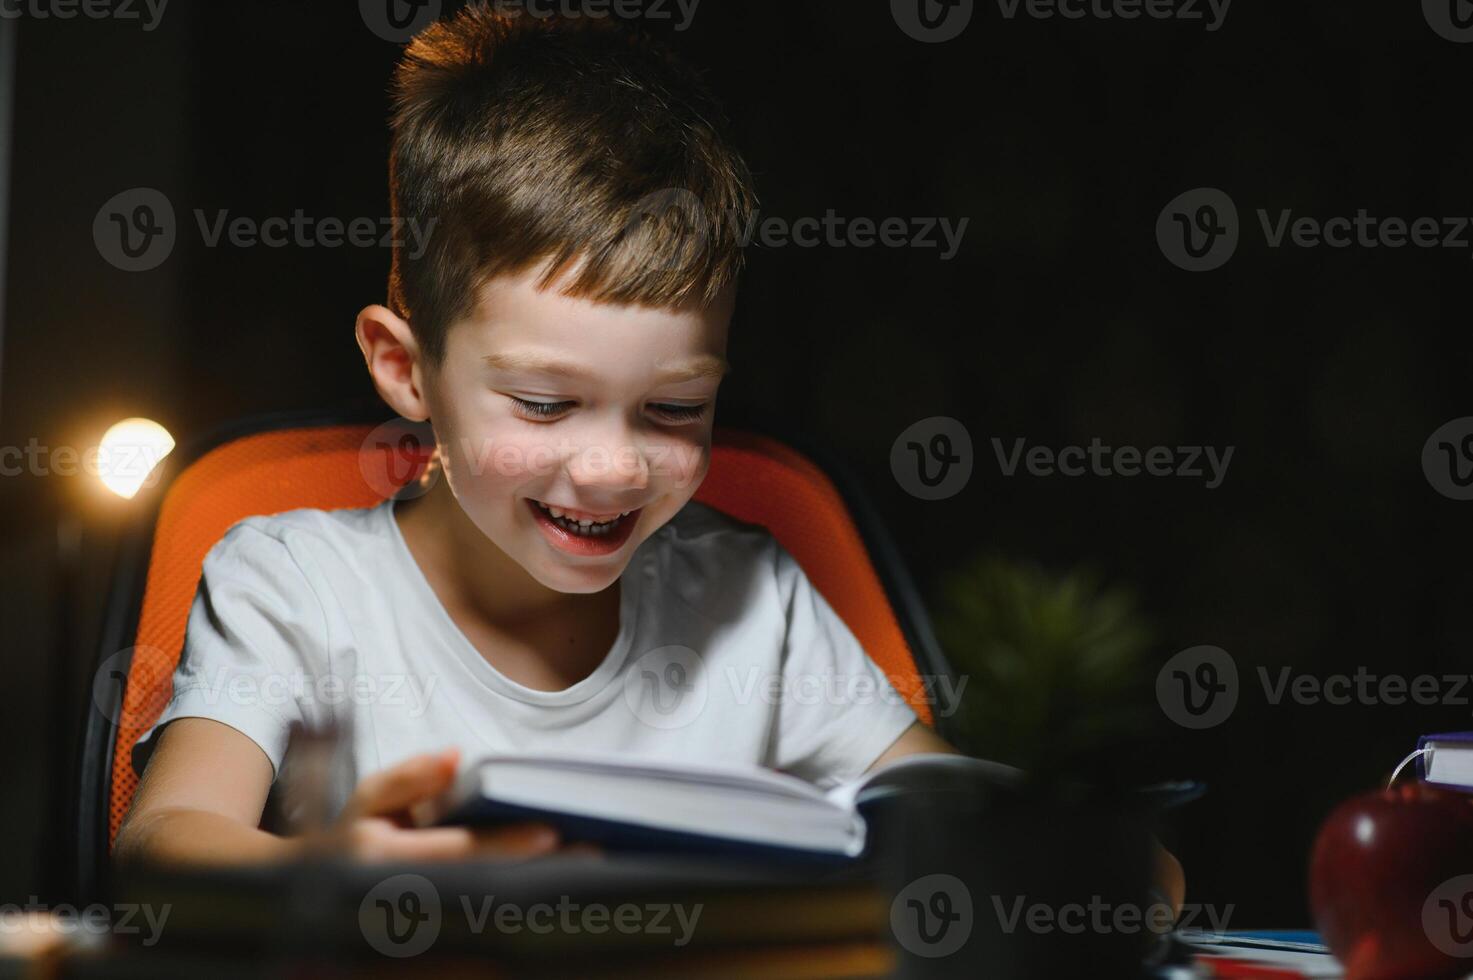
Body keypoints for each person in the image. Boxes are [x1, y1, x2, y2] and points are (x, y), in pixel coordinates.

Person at [113, 2, 1183, 911]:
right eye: (544, 402)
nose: (613, 468)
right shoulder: (294, 583)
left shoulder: (751, 601)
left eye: (673, 409)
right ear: (405, 370)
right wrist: (327, 871)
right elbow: (164, 843)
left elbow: (955, 818)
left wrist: (1095, 864)